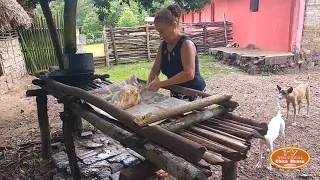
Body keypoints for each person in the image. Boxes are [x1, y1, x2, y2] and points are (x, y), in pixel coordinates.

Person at [146, 3, 206, 101]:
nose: (160, 36)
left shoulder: (186, 44)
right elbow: (155, 69)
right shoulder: (163, 45)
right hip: (176, 92)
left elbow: (188, 74)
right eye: (158, 32)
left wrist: (160, 84)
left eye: (162, 31)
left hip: (193, 93)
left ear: (174, 25)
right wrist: (148, 88)